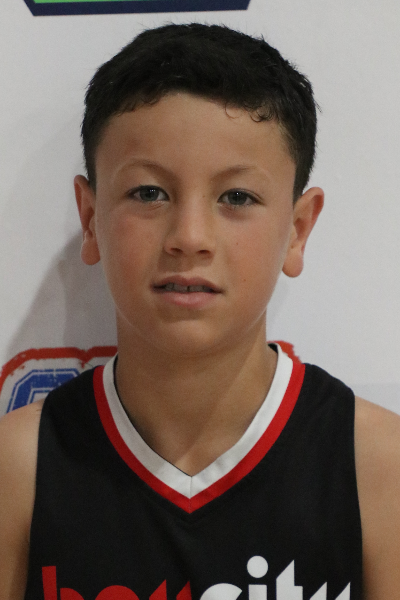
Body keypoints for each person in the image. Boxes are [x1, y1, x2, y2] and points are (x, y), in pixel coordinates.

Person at [0, 23, 399, 600]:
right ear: (90, 218)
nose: (189, 237)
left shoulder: (376, 465)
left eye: (237, 197)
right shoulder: (19, 467)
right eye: (148, 193)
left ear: (297, 229)